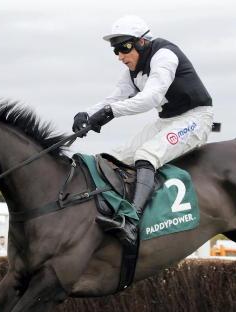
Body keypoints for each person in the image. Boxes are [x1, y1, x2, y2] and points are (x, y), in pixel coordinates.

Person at [73, 15, 214, 247]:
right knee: (112, 157)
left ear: (142, 41)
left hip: (196, 119)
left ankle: (131, 221)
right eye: (116, 50)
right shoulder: (132, 70)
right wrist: (86, 114)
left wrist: (110, 112)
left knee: (146, 155)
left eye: (124, 48)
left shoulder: (164, 56)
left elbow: (151, 98)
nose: (120, 56)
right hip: (167, 121)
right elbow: (114, 98)